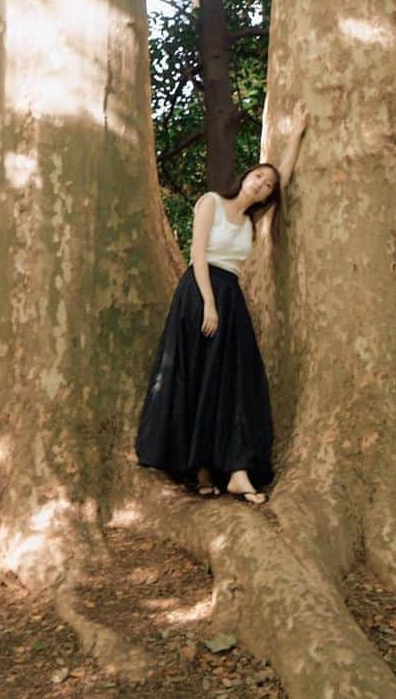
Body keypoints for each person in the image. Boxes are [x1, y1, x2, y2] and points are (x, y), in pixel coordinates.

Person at [135, 103, 309, 504]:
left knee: (232, 383)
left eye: (267, 186)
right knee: (197, 377)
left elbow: (286, 177)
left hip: (231, 298)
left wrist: (296, 136)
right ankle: (197, 468)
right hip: (199, 294)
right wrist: (209, 304)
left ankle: (235, 471)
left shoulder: (252, 221)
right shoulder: (211, 202)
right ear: (246, 176)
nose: (261, 185)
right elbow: (197, 254)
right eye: (258, 177)